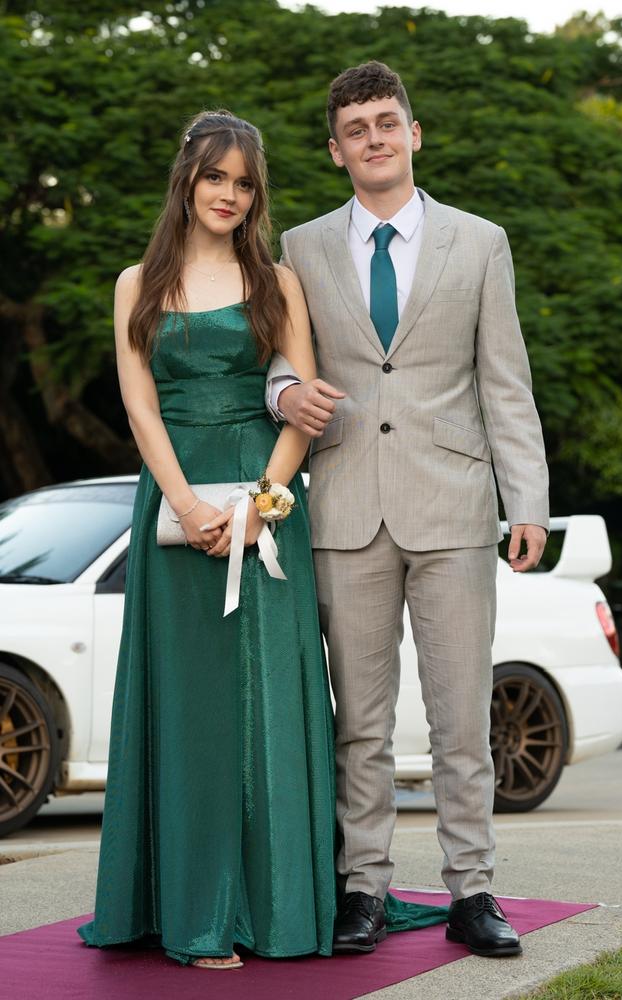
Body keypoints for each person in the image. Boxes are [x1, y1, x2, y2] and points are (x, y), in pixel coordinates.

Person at [78, 109, 447, 971]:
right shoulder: (136, 283)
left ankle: (279, 905)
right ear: (188, 180)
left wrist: (260, 502)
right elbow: (139, 406)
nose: (231, 195)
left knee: (269, 706)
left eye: (245, 183)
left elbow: (304, 398)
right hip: (173, 515)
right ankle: (193, 912)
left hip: (267, 503)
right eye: (217, 177)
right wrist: (187, 504)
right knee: (191, 710)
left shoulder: (279, 282)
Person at [267, 61, 549, 958]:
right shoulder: (301, 249)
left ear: (414, 134)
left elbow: (506, 382)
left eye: (388, 122)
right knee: (361, 722)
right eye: (357, 128)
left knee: (463, 716)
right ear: (335, 149)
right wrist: (284, 399)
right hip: (345, 509)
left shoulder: (481, 241)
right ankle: (364, 889)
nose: (375, 138)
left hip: (457, 508)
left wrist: (527, 501)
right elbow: (278, 361)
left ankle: (473, 892)